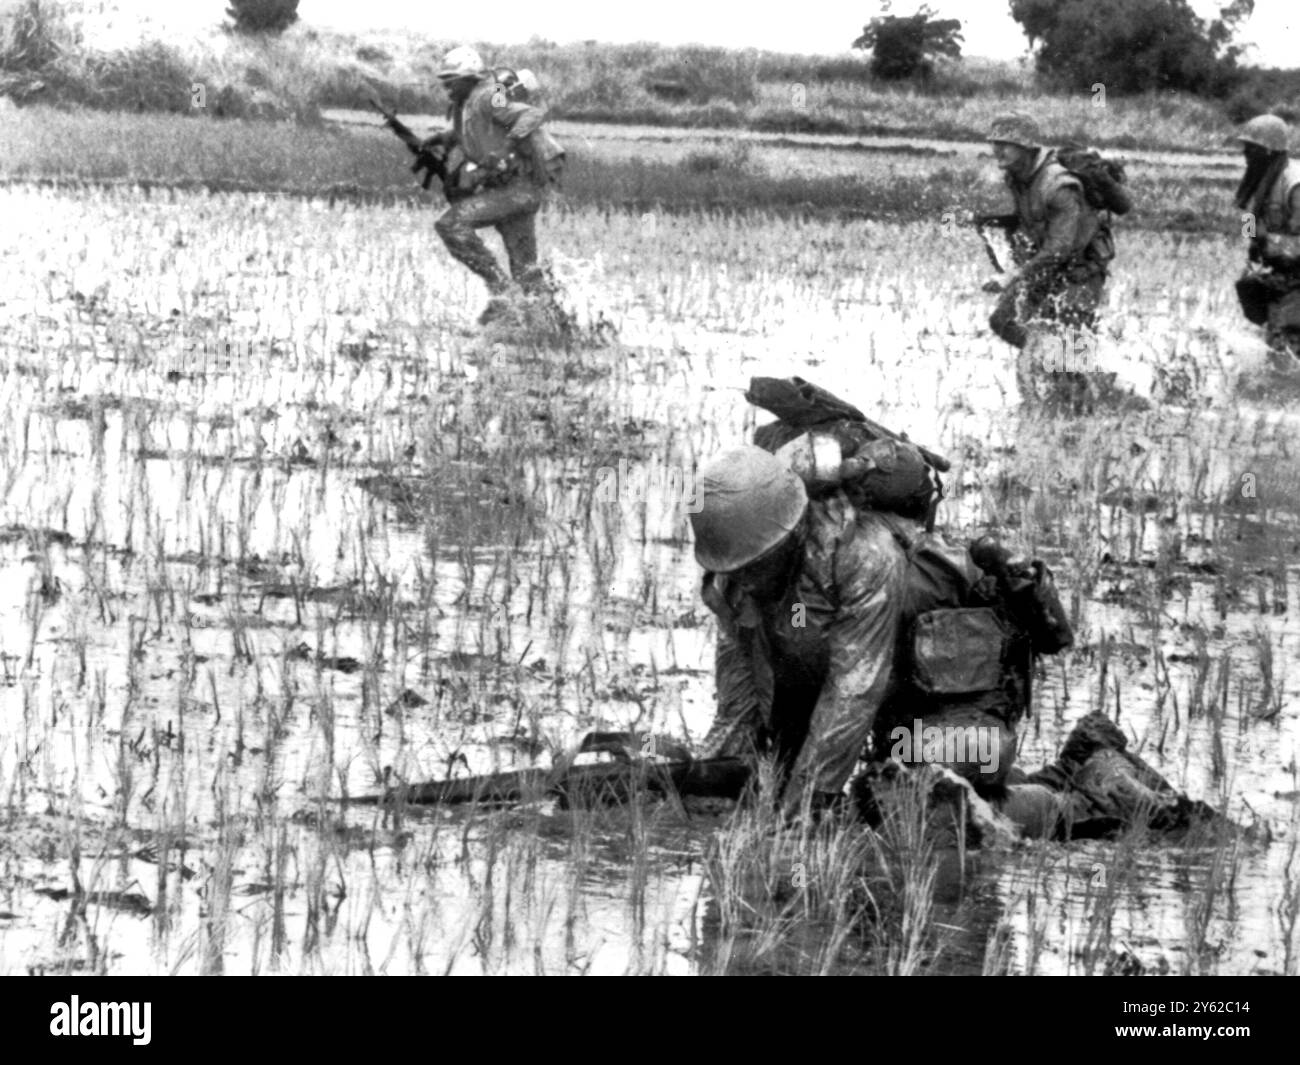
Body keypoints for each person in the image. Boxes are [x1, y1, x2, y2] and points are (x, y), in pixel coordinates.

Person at [690, 423, 1226, 839]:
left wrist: (806, 804)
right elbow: (738, 704)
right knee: (784, 781)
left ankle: (1101, 800)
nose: (744, 579)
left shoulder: (862, 555)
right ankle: (1075, 765)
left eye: (755, 564)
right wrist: (716, 776)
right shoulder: (737, 582)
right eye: (736, 568)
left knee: (907, 802)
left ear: (790, 533)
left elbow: (855, 689)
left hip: (967, 697)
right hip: (902, 703)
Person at [982, 113, 1118, 407]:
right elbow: (1032, 221)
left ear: (1026, 147)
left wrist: (1013, 276)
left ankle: (1091, 402)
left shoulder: (1058, 185)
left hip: (1080, 272)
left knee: (1071, 356)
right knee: (1002, 319)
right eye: (995, 143)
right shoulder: (1017, 177)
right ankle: (1048, 358)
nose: (997, 151)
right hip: (1047, 267)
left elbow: (1060, 247)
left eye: (1006, 144)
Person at [427, 47, 565, 324]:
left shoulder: (491, 95)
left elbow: (529, 116)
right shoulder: (473, 101)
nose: (447, 88)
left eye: (451, 81)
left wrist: (506, 149)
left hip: (515, 190)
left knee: (451, 225)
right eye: (445, 82)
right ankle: (554, 327)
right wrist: (445, 138)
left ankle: (502, 292)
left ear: (468, 78)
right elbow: (479, 128)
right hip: (515, 192)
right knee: (527, 273)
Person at [1231, 113, 1300, 362]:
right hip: (1280, 270)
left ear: (1268, 152)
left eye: (1251, 149)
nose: (1246, 155)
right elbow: (1249, 218)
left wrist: (1270, 245)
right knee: (1274, 338)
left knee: (1290, 340)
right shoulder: (1258, 183)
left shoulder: (1294, 183)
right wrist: (1254, 243)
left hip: (1296, 271)